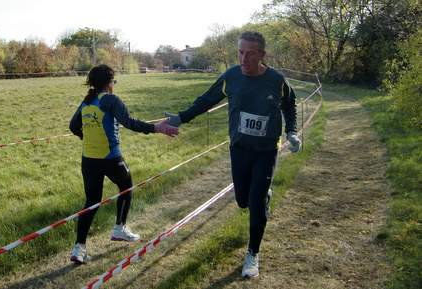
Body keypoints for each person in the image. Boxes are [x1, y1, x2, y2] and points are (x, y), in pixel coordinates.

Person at [166, 31, 301, 278]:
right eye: (240, 52)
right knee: (242, 200)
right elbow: (206, 100)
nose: (244, 58)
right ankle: (262, 198)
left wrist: (292, 131)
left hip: (266, 150)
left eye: (250, 53)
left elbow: (290, 104)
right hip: (239, 149)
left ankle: (252, 254)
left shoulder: (276, 80)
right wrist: (181, 118)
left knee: (257, 202)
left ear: (262, 55)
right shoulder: (231, 77)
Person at [69, 64, 178, 264]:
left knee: (91, 202)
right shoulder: (111, 100)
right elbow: (129, 123)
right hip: (111, 158)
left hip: (88, 160)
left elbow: (73, 126)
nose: (114, 84)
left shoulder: (87, 102)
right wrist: (157, 128)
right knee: (126, 187)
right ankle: (119, 228)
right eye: (113, 81)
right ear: (109, 83)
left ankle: (79, 248)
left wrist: (88, 138)